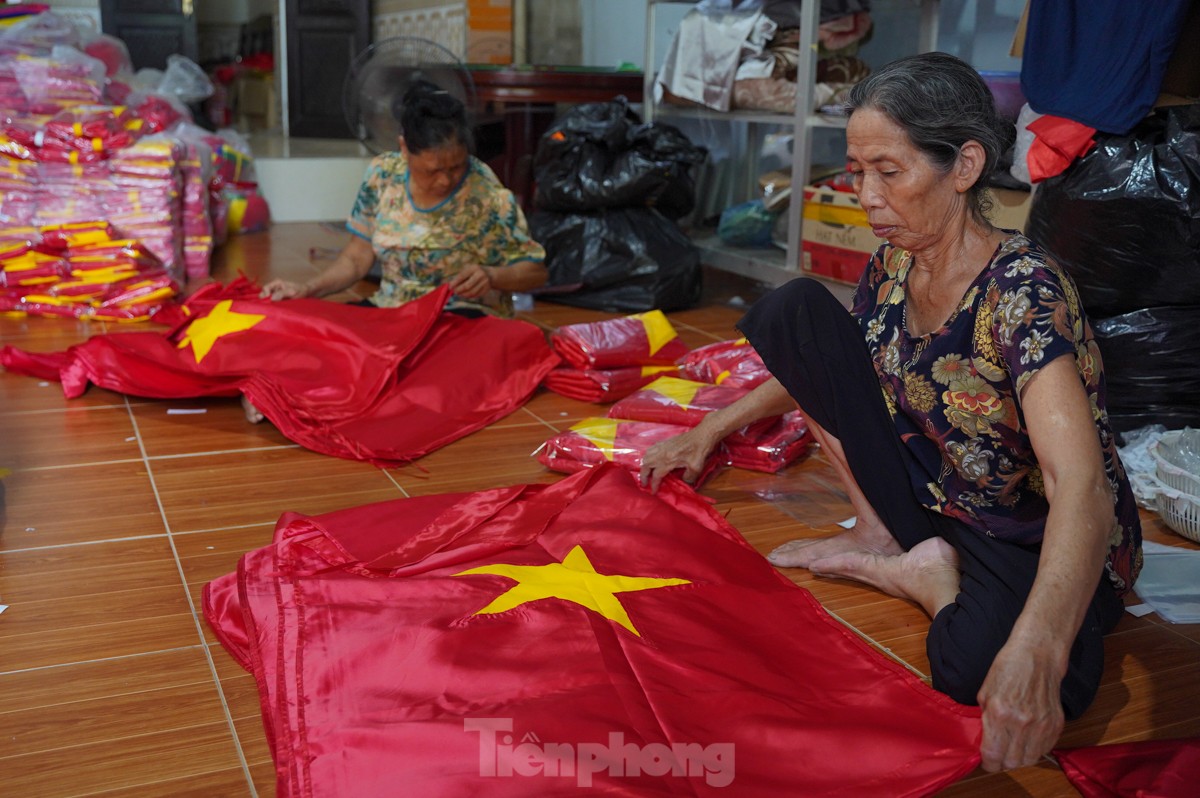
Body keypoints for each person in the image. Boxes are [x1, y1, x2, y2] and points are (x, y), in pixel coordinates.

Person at [640, 52, 1141, 774]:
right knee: (797, 310)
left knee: (999, 675)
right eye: (858, 170)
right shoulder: (897, 261)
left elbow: (1078, 485)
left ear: (964, 166)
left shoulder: (1024, 294)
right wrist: (709, 428)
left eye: (889, 171)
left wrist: (1039, 645)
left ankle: (926, 578)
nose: (867, 195)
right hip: (936, 488)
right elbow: (835, 359)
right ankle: (886, 537)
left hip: (1024, 525)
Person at [259, 79, 548, 318]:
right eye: (432, 171)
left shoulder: (488, 194)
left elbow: (536, 272)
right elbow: (357, 258)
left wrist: (492, 276)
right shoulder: (383, 176)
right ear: (404, 149)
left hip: (458, 317)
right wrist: (308, 288)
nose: (446, 180)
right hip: (392, 310)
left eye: (456, 166)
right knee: (314, 341)